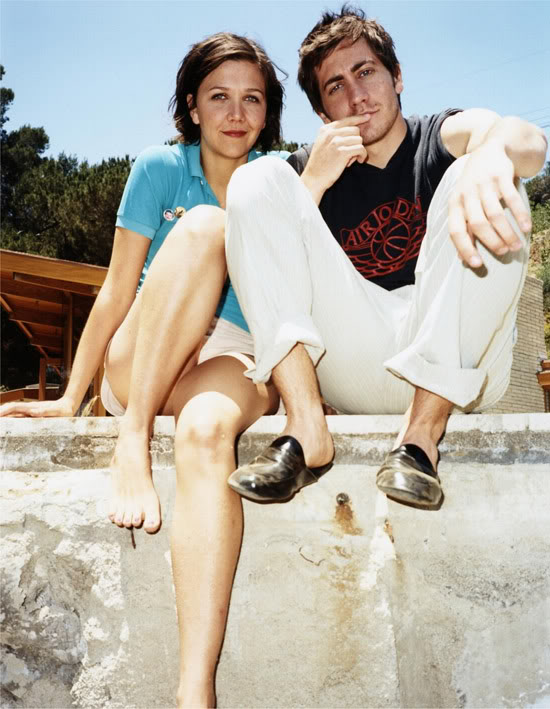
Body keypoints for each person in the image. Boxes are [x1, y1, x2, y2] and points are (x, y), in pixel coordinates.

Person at [0, 32, 285, 708]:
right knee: (205, 227)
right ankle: (132, 437)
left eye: (252, 99)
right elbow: (116, 288)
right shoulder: (160, 168)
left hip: (230, 354)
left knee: (208, 432)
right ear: (191, 106)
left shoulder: (278, 180)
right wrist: (71, 396)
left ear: (268, 112)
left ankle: (194, 689)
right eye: (219, 96)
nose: (236, 113)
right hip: (149, 348)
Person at [223, 6, 547, 507]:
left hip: (459, 366)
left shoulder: (438, 137)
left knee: (488, 173)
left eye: (366, 72)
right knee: (255, 179)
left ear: (396, 77)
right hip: (357, 360)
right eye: (336, 87)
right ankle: (306, 428)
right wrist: (314, 182)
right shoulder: (308, 169)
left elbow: (524, 140)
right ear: (323, 113)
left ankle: (419, 440)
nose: (356, 96)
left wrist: (489, 153)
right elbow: (270, 260)